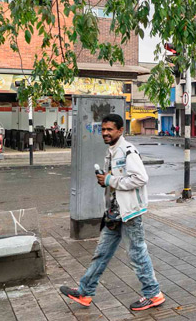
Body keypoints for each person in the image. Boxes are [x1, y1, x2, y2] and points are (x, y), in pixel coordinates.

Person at [60, 114, 164, 311]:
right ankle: (85, 292)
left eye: (109, 130)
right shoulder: (112, 151)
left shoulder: (127, 151)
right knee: (101, 253)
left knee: (137, 253)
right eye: (103, 129)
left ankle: (153, 294)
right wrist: (106, 182)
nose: (105, 133)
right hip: (114, 213)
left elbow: (141, 178)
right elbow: (114, 180)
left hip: (130, 213)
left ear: (120, 130)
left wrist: (110, 181)